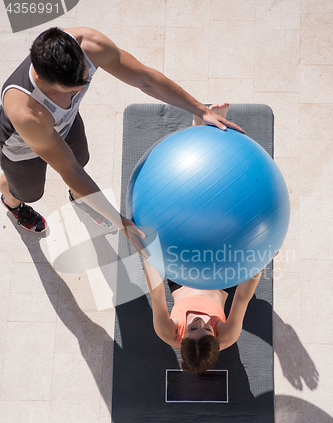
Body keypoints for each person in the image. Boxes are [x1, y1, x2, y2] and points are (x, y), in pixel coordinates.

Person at [0, 27, 244, 257]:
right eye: (69, 90)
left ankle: (80, 198)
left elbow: (145, 79)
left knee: (81, 160)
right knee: (29, 192)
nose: (76, 94)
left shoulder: (89, 44)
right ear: (42, 80)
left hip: (65, 124)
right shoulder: (27, 111)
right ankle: (12, 202)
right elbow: (67, 169)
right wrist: (121, 223)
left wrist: (202, 110)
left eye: (81, 85)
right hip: (21, 147)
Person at [142, 103, 262, 374]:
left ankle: (199, 130)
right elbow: (242, 297)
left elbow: (157, 291)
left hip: (181, 273)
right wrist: (258, 260)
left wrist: (148, 254)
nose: (199, 321)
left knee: (189, 212)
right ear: (215, 338)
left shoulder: (166, 331)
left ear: (181, 338)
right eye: (206, 327)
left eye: (192, 328)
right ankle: (213, 141)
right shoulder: (228, 336)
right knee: (223, 216)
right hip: (223, 277)